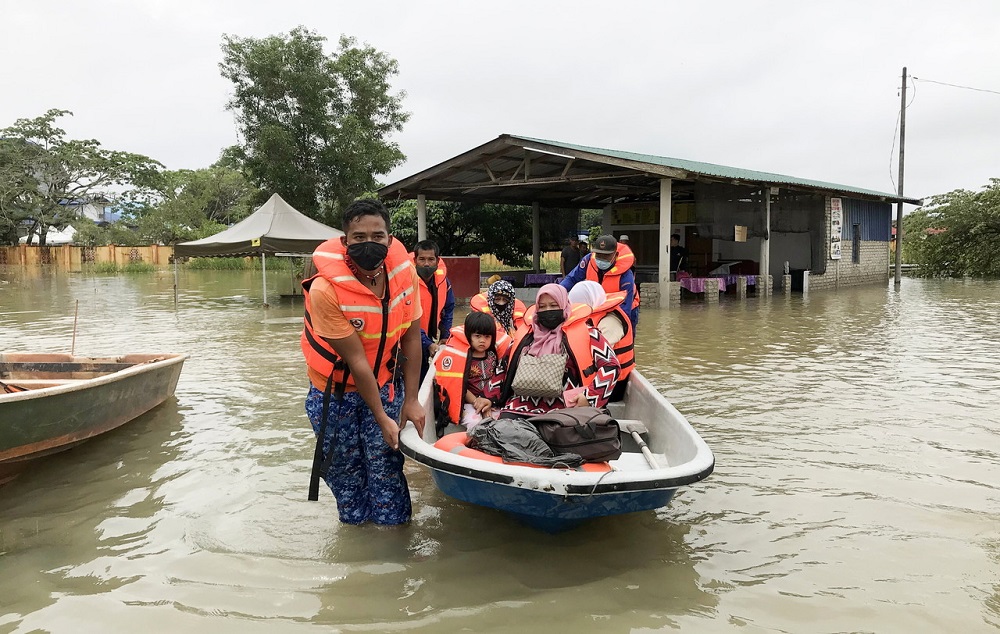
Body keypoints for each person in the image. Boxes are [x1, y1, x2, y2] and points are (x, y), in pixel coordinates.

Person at [301, 198, 425, 526]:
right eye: (359, 237)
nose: (369, 244)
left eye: (377, 236)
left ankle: (393, 554)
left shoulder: (405, 275)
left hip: (384, 384)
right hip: (334, 395)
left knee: (386, 469)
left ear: (390, 238)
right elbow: (356, 360)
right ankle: (357, 546)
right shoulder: (325, 290)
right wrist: (381, 415)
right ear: (345, 241)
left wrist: (411, 399)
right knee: (346, 477)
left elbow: (412, 338)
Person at [495, 284, 620, 418]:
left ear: (564, 305)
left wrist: (590, 397)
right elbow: (503, 367)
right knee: (504, 431)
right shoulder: (526, 334)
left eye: (554, 306)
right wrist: (489, 397)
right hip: (520, 406)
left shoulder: (588, 333)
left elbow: (611, 366)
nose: (548, 310)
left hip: (568, 407)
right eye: (542, 307)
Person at [433, 311, 511, 434]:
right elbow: (460, 385)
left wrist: (488, 401)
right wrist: (477, 402)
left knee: (502, 419)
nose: (482, 341)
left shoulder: (493, 356)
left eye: (487, 337)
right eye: (478, 336)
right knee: (474, 422)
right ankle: (475, 446)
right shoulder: (463, 358)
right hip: (469, 401)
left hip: (490, 399)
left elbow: (496, 380)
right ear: (469, 336)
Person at [567, 281, 635, 400]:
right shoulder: (593, 316)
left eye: (579, 305)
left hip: (613, 384)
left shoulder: (611, 322)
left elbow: (602, 359)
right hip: (594, 377)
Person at [559, 234, 638, 330]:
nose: (601, 259)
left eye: (606, 256)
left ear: (615, 255)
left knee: (622, 336)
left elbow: (625, 309)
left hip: (623, 307)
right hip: (597, 306)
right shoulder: (588, 261)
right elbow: (571, 279)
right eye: (598, 255)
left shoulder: (625, 275)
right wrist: (556, 293)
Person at [412, 240, 455, 382]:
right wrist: (427, 343)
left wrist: (445, 334)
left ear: (437, 261)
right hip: (408, 342)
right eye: (422, 259)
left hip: (429, 339)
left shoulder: (443, 281)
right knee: (413, 379)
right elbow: (405, 319)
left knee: (425, 379)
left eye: (431, 259)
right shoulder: (405, 281)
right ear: (415, 260)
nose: (426, 264)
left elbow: (448, 308)